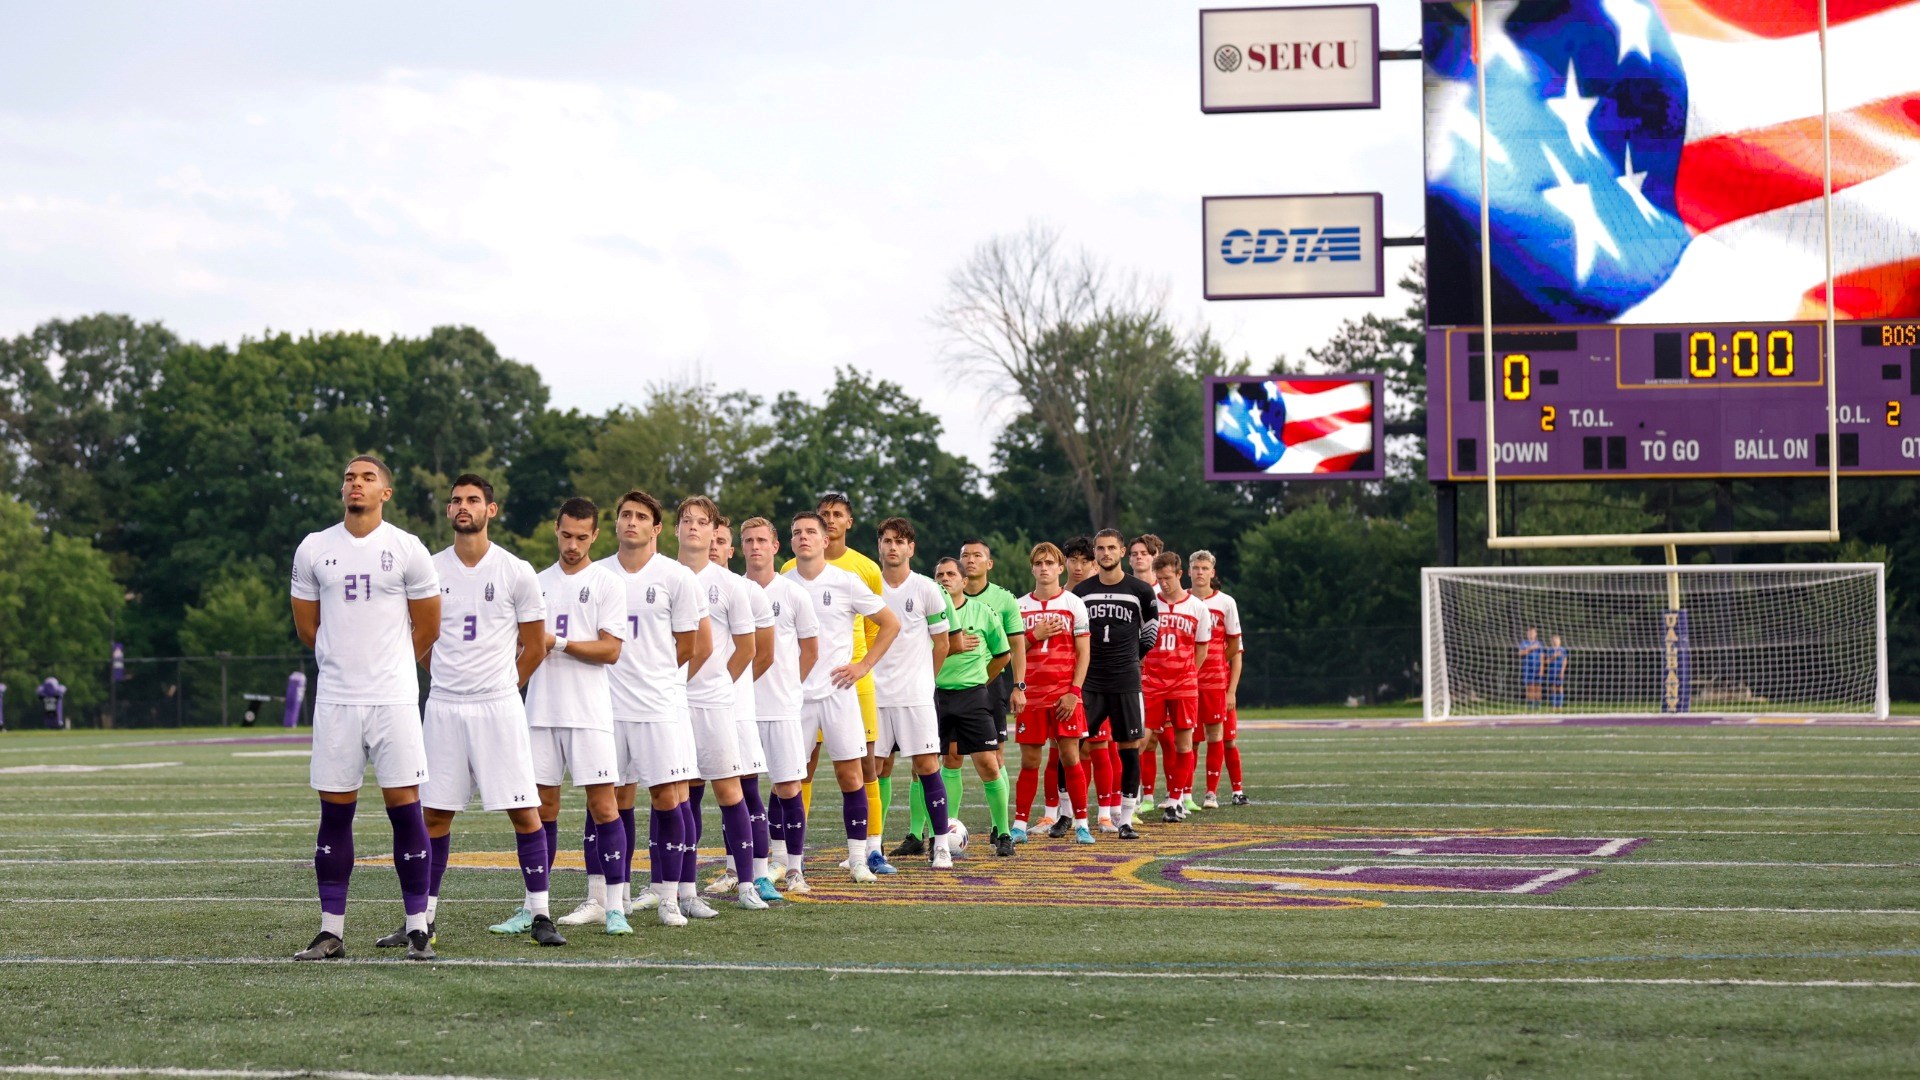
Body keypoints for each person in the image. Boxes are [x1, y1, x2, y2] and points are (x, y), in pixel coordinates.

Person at [389, 474, 563, 949]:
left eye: (472, 500)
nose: (463, 507)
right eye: (456, 501)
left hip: (498, 706)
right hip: (444, 705)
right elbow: (419, 639)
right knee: (434, 817)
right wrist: (443, 675)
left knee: (524, 812)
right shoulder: (428, 568)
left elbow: (534, 645)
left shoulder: (516, 570)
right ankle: (422, 919)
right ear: (448, 512)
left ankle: (541, 914)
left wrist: (506, 685)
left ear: (492, 509)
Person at [289, 454, 443, 961]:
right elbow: (308, 629)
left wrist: (389, 669)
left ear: (386, 493)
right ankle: (331, 929)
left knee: (407, 812)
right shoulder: (314, 548)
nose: (356, 484)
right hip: (336, 700)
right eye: (350, 477)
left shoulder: (407, 548)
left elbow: (429, 628)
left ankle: (418, 925)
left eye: (368, 478)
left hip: (393, 700)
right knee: (335, 815)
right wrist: (344, 666)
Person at [591, 489, 708, 929]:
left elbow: (688, 646)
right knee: (608, 798)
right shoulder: (598, 575)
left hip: (658, 704)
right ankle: (604, 897)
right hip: (605, 704)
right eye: (624, 515)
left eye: (641, 516)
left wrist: (652, 675)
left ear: (657, 528)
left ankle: (669, 898)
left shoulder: (677, 577)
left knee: (665, 797)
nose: (631, 522)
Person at [517, 497, 630, 934]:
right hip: (541, 711)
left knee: (604, 806)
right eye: (566, 535)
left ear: (595, 535)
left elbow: (612, 650)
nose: (573, 544)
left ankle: (614, 907)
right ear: (555, 529)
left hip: (589, 713)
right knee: (539, 809)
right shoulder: (534, 581)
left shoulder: (607, 583)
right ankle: (533, 907)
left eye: (582, 537)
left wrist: (558, 642)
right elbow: (521, 643)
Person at [785, 510, 901, 883]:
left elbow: (890, 623)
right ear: (790, 542)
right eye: (797, 532)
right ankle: (789, 862)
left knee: (851, 775)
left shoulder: (847, 581)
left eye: (810, 532)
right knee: (789, 777)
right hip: (795, 697)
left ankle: (857, 859)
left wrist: (863, 665)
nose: (804, 537)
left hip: (838, 693)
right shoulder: (781, 584)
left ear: (824, 540)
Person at [675, 496, 771, 911]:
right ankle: (683, 890)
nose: (694, 528)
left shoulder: (733, 585)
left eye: (703, 522)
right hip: (670, 704)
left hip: (715, 704)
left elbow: (749, 649)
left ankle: (748, 883)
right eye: (687, 520)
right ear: (675, 528)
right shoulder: (662, 576)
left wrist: (715, 682)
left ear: (715, 531)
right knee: (681, 796)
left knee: (730, 792)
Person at [868, 517, 960, 868]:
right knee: (872, 769)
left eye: (900, 541)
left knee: (926, 766)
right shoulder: (867, 587)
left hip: (915, 695)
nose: (893, 547)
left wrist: (925, 680)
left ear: (911, 548)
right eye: (887, 540)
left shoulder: (926, 588)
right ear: (879, 545)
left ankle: (940, 845)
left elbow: (942, 643)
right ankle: (870, 847)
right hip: (874, 695)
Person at [704, 513, 784, 904]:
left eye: (721, 541)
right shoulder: (680, 583)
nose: (714, 546)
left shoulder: (745, 590)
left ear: (729, 549)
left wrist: (727, 689)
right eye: (710, 538)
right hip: (688, 708)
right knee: (686, 792)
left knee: (746, 790)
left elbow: (763, 654)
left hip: (734, 708)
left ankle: (759, 872)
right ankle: (729, 871)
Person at [739, 517, 821, 892]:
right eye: (748, 541)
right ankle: (738, 870)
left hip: (783, 709)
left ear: (775, 547)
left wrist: (788, 686)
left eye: (761, 540)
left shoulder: (792, 594)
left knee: (788, 787)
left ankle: (794, 868)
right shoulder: (732, 590)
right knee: (741, 791)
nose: (755, 547)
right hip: (740, 709)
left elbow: (810, 651)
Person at [1072, 528, 1158, 839]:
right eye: (1100, 548)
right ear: (1094, 553)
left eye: (1111, 547)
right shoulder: (1081, 592)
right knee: (1073, 745)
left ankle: (1125, 820)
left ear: (1122, 551)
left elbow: (1151, 632)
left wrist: (1131, 658)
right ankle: (1065, 816)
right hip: (1090, 681)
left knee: (1130, 748)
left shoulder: (1141, 590)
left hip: (1126, 680)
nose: (1105, 553)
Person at [932, 556, 1016, 856]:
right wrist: (952, 650)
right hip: (938, 696)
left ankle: (1004, 833)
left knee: (988, 764)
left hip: (973, 697)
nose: (945, 579)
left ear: (964, 581)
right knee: (941, 764)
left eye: (951, 574)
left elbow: (1003, 655)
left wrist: (980, 680)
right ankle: (941, 833)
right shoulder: (928, 614)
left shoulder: (982, 612)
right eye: (939, 574)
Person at [1012, 542, 1093, 844]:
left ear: (1060, 568)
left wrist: (1074, 692)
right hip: (1031, 697)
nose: (1044, 568)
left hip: (1064, 697)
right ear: (1032, 568)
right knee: (1030, 762)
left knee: (1071, 757)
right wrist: (1035, 634)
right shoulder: (1019, 607)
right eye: (1038, 563)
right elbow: (1011, 652)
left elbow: (1084, 653)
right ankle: (1020, 824)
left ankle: (1082, 822)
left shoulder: (1074, 604)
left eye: (1050, 563)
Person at [957, 539, 1027, 826]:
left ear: (989, 563)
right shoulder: (944, 596)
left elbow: (1016, 646)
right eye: (965, 555)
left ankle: (1002, 829)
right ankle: (943, 828)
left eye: (977, 555)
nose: (970, 560)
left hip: (991, 684)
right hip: (952, 686)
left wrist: (1018, 686)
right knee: (950, 758)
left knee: (995, 757)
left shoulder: (1004, 599)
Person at [1144, 552, 1211, 823]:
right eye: (1159, 579)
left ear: (1180, 575)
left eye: (1168, 578)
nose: (1163, 584)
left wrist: (1187, 673)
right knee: (1141, 740)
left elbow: (1202, 648)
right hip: (1152, 683)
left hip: (1183, 685)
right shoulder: (1149, 603)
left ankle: (1175, 800)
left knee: (1184, 744)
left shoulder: (1197, 607)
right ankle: (1133, 799)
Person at [1189, 550, 1246, 807]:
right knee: (1188, 739)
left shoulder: (1226, 603)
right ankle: (1183, 794)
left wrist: (1229, 686)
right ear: (1188, 571)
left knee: (1221, 737)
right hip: (1187, 683)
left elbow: (1235, 648)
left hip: (1215, 683)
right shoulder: (1180, 601)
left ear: (1213, 572)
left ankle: (1213, 792)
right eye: (1195, 567)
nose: (1200, 572)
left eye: (1204, 568)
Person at [1519, 627, 1544, 711]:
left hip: (1537, 667)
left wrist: (1542, 669)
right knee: (1530, 687)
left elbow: (1542, 657)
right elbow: (1520, 653)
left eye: (1533, 632)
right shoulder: (1524, 643)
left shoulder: (1539, 643)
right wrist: (1531, 648)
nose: (1531, 634)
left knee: (1538, 687)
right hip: (1527, 668)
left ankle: (1537, 706)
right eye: (1529, 633)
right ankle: (1530, 706)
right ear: (1527, 634)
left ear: (1536, 634)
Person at [1546, 634, 1569, 710]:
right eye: (1554, 640)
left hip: (1560, 671)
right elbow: (1547, 661)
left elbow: (1565, 661)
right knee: (1553, 688)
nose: (1555, 641)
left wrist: (1562, 671)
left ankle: (1560, 706)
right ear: (1552, 641)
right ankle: (1554, 705)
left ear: (1560, 641)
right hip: (1552, 671)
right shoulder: (1550, 650)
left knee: (1560, 687)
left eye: (1557, 640)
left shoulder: (1563, 650)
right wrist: (1554, 656)